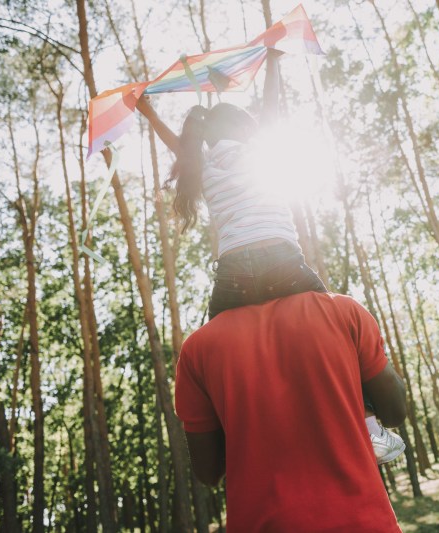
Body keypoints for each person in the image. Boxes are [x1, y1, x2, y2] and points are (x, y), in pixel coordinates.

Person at [135, 49, 405, 464]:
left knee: (216, 361)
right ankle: (369, 427)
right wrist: (275, 62)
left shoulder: (203, 166)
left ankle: (232, 435)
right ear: (244, 128)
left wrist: (149, 114)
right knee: (340, 336)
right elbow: (273, 110)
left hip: (233, 277)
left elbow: (178, 146)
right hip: (284, 264)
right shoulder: (259, 150)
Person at [175, 290, 407, 530]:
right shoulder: (343, 309)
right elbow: (395, 412)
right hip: (364, 523)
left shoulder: (196, 348)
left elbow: (207, 471)